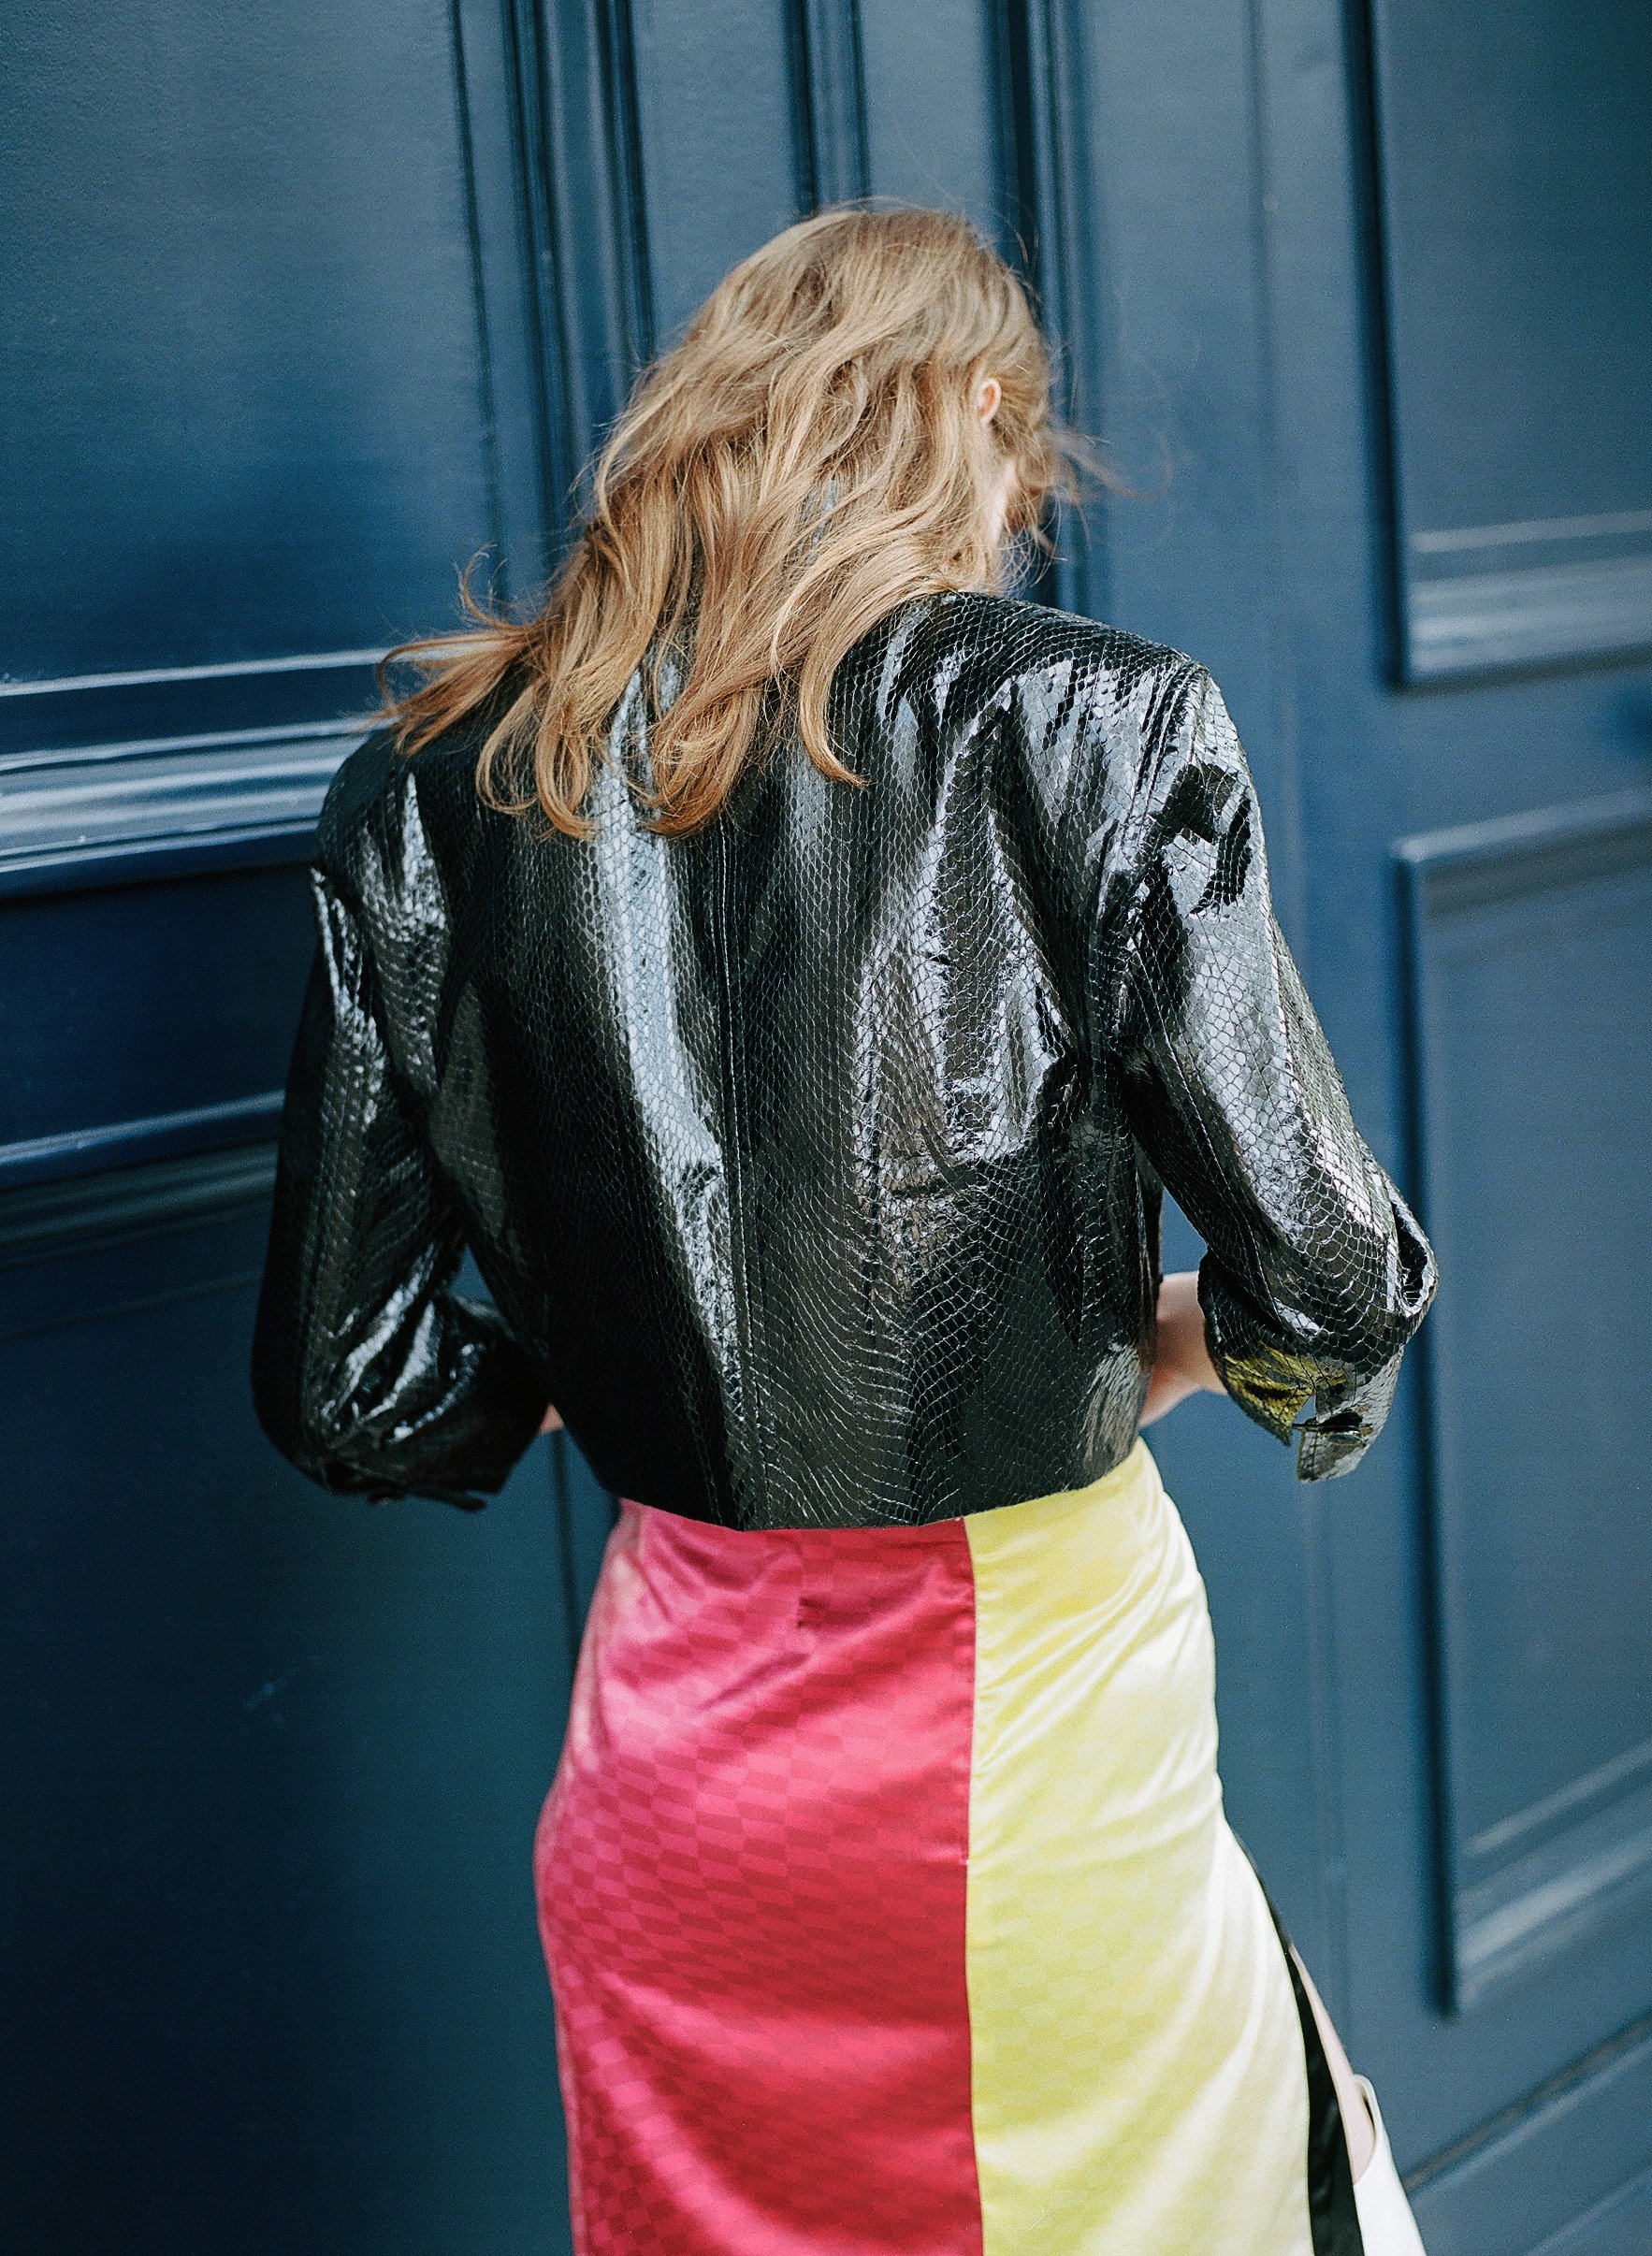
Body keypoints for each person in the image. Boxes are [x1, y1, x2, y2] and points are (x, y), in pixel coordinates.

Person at [252, 206, 1436, 2255]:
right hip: (1030, 1736)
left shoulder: (434, 787)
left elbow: (345, 1379)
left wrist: (576, 1377)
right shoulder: (1093, 722)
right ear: (980, 414)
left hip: (672, 1767)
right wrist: (1181, 1353)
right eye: (1023, 472)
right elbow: (1326, 1278)